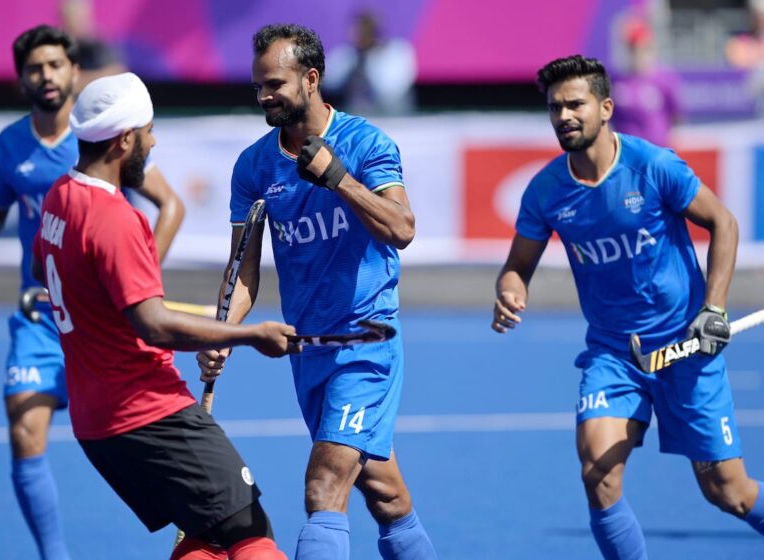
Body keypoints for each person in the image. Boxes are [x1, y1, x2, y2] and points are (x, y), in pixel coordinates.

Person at [492, 54, 764, 559]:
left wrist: (715, 309)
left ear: (606, 108)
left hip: (688, 345)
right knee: (598, 474)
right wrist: (511, 290)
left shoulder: (653, 166)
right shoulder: (546, 190)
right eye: (555, 108)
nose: (564, 116)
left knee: (728, 491)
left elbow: (723, 223)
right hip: (615, 354)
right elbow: (516, 267)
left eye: (576, 104)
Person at [32, 71, 296, 560]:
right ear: (125, 139)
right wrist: (249, 333)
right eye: (148, 131)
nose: (153, 142)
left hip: (96, 426)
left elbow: (44, 270)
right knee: (251, 529)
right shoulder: (115, 218)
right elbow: (152, 324)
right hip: (148, 412)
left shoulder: (58, 198)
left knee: (208, 535)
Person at [197, 23, 437, 560]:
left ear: (311, 78)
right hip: (308, 352)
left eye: (275, 84)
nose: (264, 96)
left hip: (367, 343)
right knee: (384, 491)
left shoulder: (365, 142)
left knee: (324, 483)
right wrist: (222, 333)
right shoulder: (254, 167)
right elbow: (245, 272)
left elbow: (402, 229)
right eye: (258, 84)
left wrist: (341, 180)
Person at [0, 25, 184, 559]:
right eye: (36, 68)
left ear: (74, 72)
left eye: (56, 65)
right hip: (40, 315)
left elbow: (170, 205)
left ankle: (199, 524)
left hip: (102, 323)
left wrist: (136, 279)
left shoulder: (100, 138)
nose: (47, 76)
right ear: (22, 80)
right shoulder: (10, 145)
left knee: (144, 433)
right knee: (24, 429)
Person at [322, 12, 416, 115]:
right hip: (356, 119)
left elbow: (390, 92)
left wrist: (368, 59)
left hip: (395, 120)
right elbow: (327, 81)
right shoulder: (349, 55)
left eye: (364, 29)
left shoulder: (397, 52)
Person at [611, 17, 681, 147]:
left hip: (655, 151)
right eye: (633, 48)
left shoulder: (664, 80)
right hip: (625, 153)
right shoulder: (616, 82)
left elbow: (675, 116)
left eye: (643, 48)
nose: (638, 53)